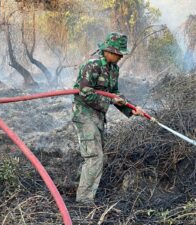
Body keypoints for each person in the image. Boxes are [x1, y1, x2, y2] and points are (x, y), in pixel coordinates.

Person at [72, 32, 145, 204]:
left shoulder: (114, 69)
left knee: (94, 154)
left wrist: (132, 108)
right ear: (108, 51)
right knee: (94, 156)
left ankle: (78, 186)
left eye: (121, 53)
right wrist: (110, 99)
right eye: (118, 53)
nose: (120, 56)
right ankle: (83, 201)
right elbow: (86, 94)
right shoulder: (92, 66)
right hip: (84, 114)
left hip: (98, 116)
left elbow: (115, 93)